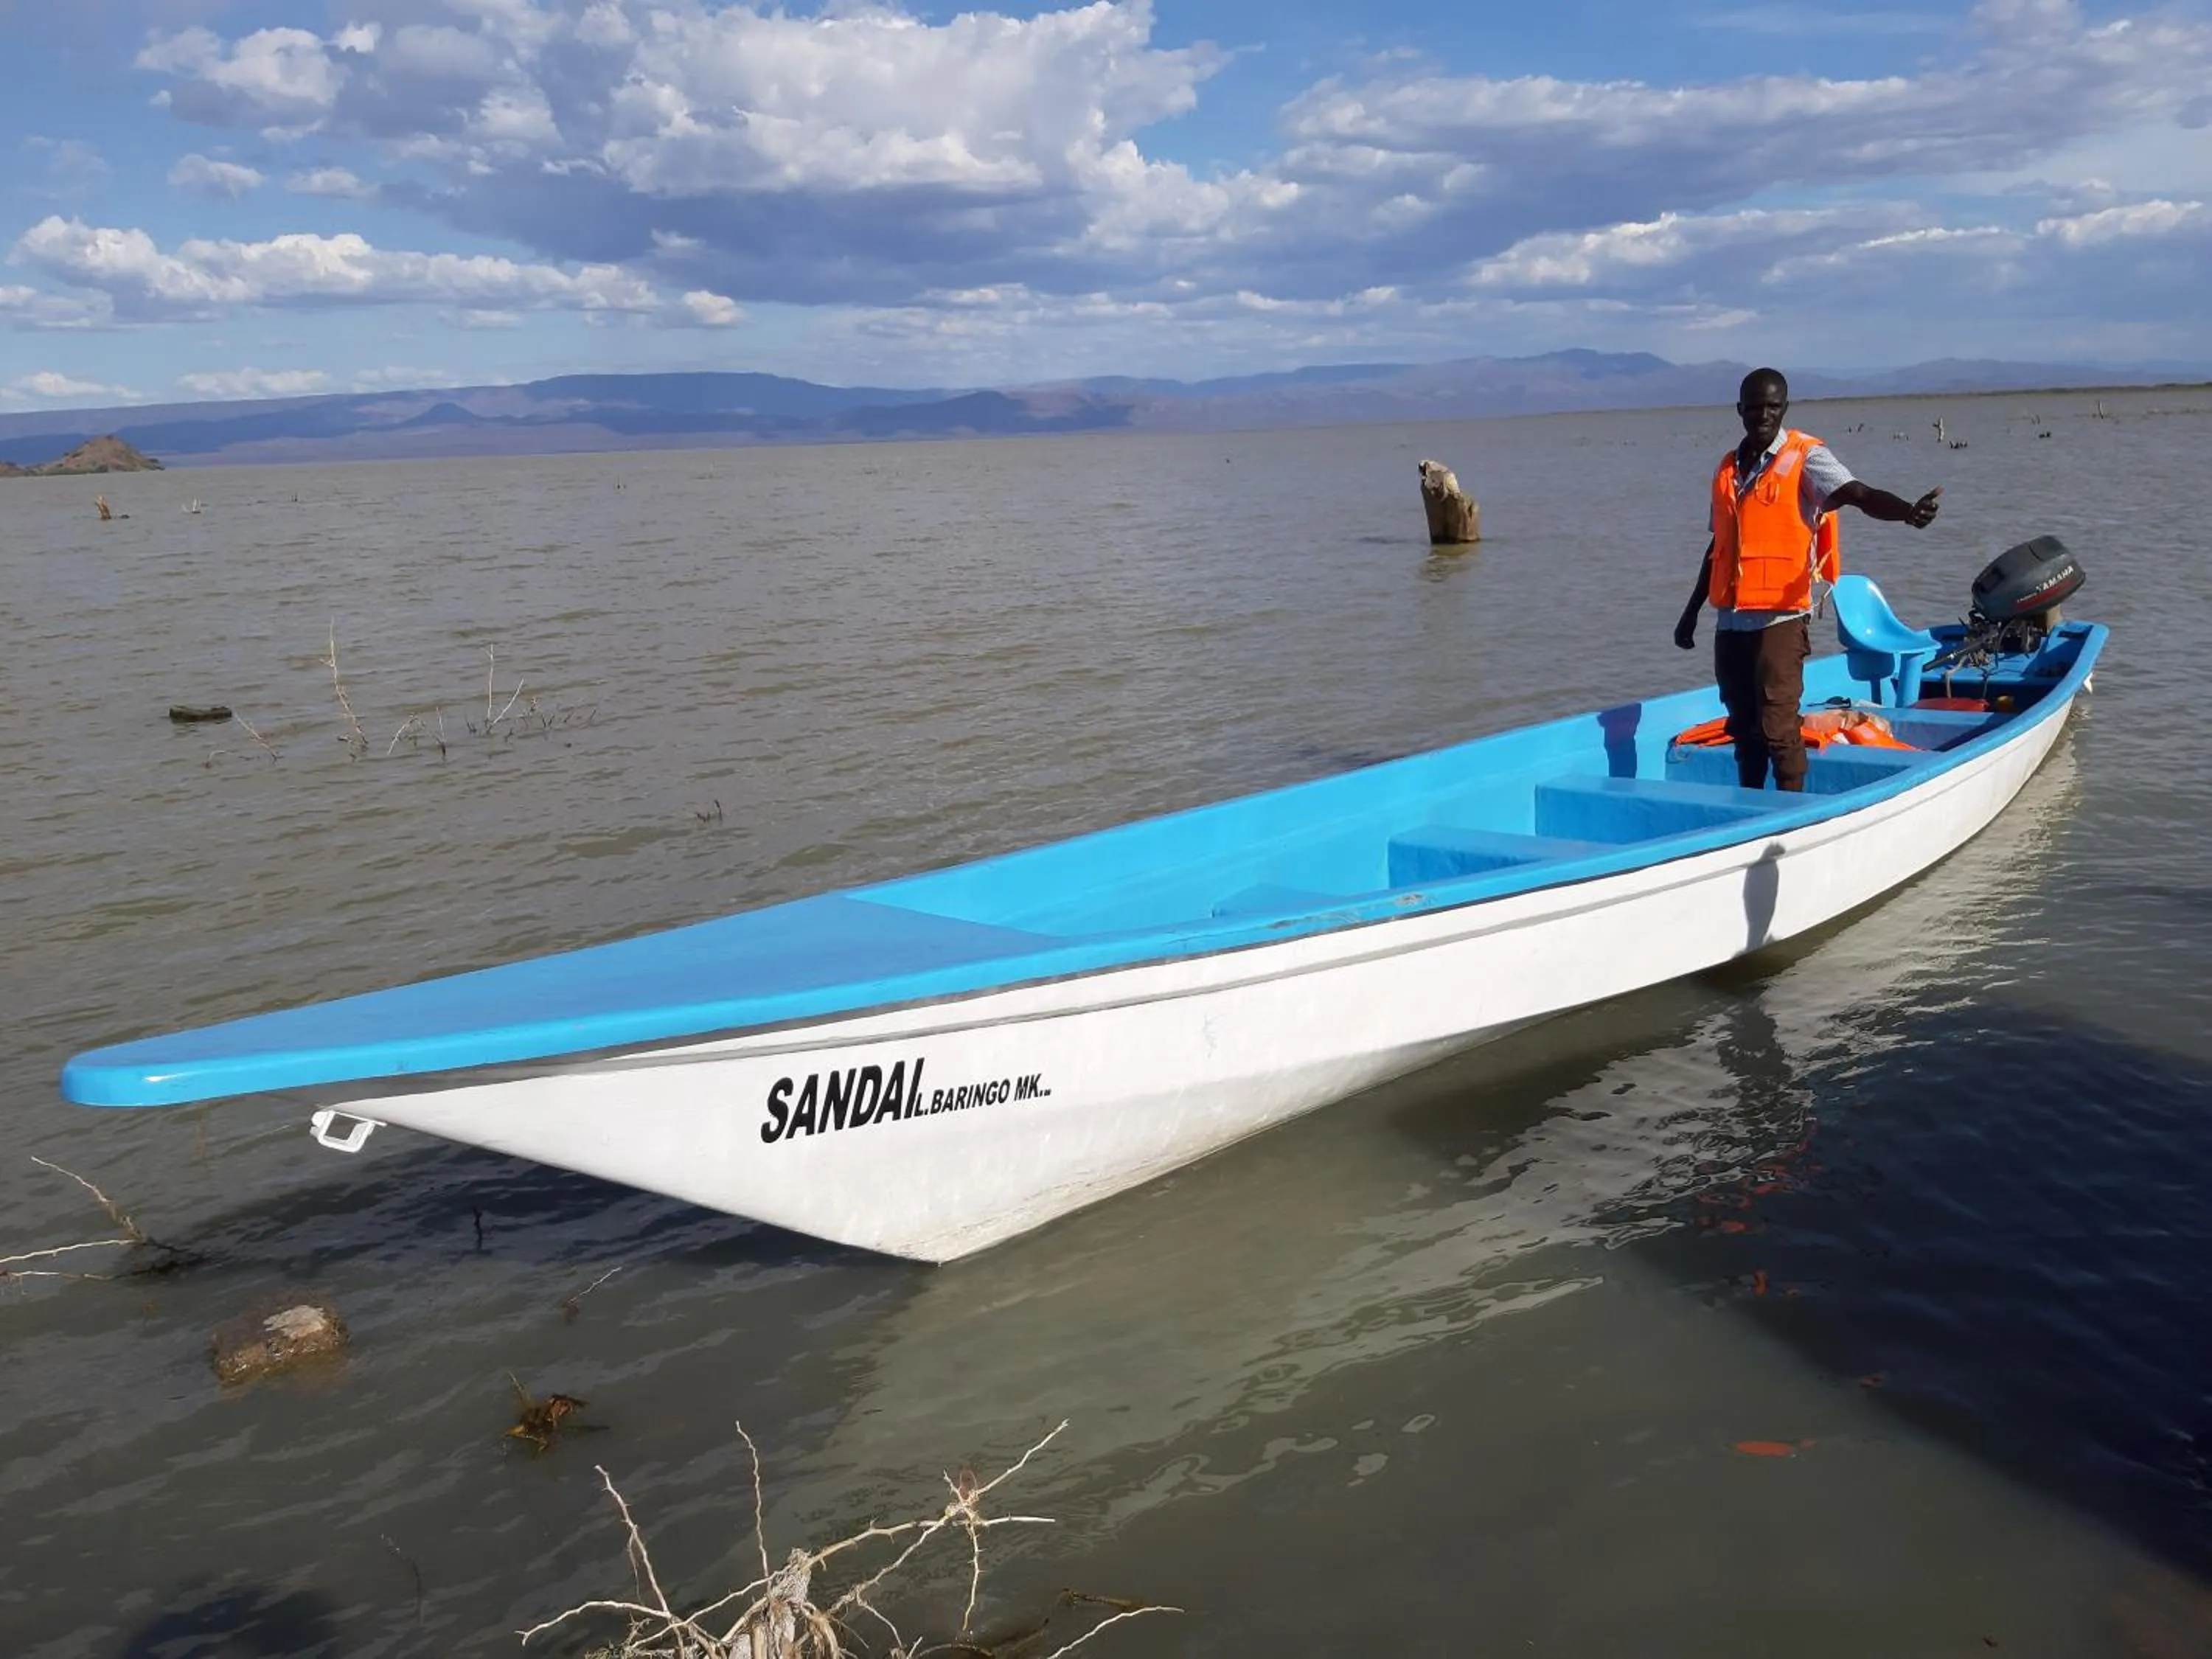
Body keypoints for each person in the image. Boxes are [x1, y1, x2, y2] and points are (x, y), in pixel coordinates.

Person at [1674, 367, 1942, 792]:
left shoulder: (1806, 458)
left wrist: (1907, 512)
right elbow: (1718, 548)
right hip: (1730, 623)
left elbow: (1859, 494)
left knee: (1778, 727)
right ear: (1740, 409)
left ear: (1784, 408)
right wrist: (1689, 614)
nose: (1764, 415)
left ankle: (1790, 816)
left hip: (1780, 622)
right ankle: (1751, 804)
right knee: (1743, 727)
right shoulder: (1727, 469)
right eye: (1755, 407)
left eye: (1773, 407)